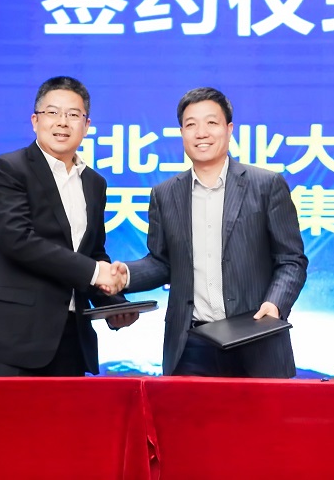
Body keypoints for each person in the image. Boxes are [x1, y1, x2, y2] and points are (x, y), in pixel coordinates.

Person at [114, 87, 308, 378]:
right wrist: (124, 276)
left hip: (257, 336)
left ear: (229, 129)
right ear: (181, 133)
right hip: (191, 344)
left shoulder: (266, 185)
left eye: (212, 123)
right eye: (191, 124)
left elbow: (291, 260)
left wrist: (275, 305)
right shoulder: (164, 194)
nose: (201, 133)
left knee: (259, 412)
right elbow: (162, 262)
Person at [0, 76, 136, 377]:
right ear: (35, 121)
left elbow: (93, 253)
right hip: (10, 339)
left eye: (73, 115)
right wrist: (96, 272)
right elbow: (18, 241)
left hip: (71, 337)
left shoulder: (94, 183)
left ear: (86, 125)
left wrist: (113, 304)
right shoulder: (7, 169)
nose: (62, 122)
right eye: (52, 112)